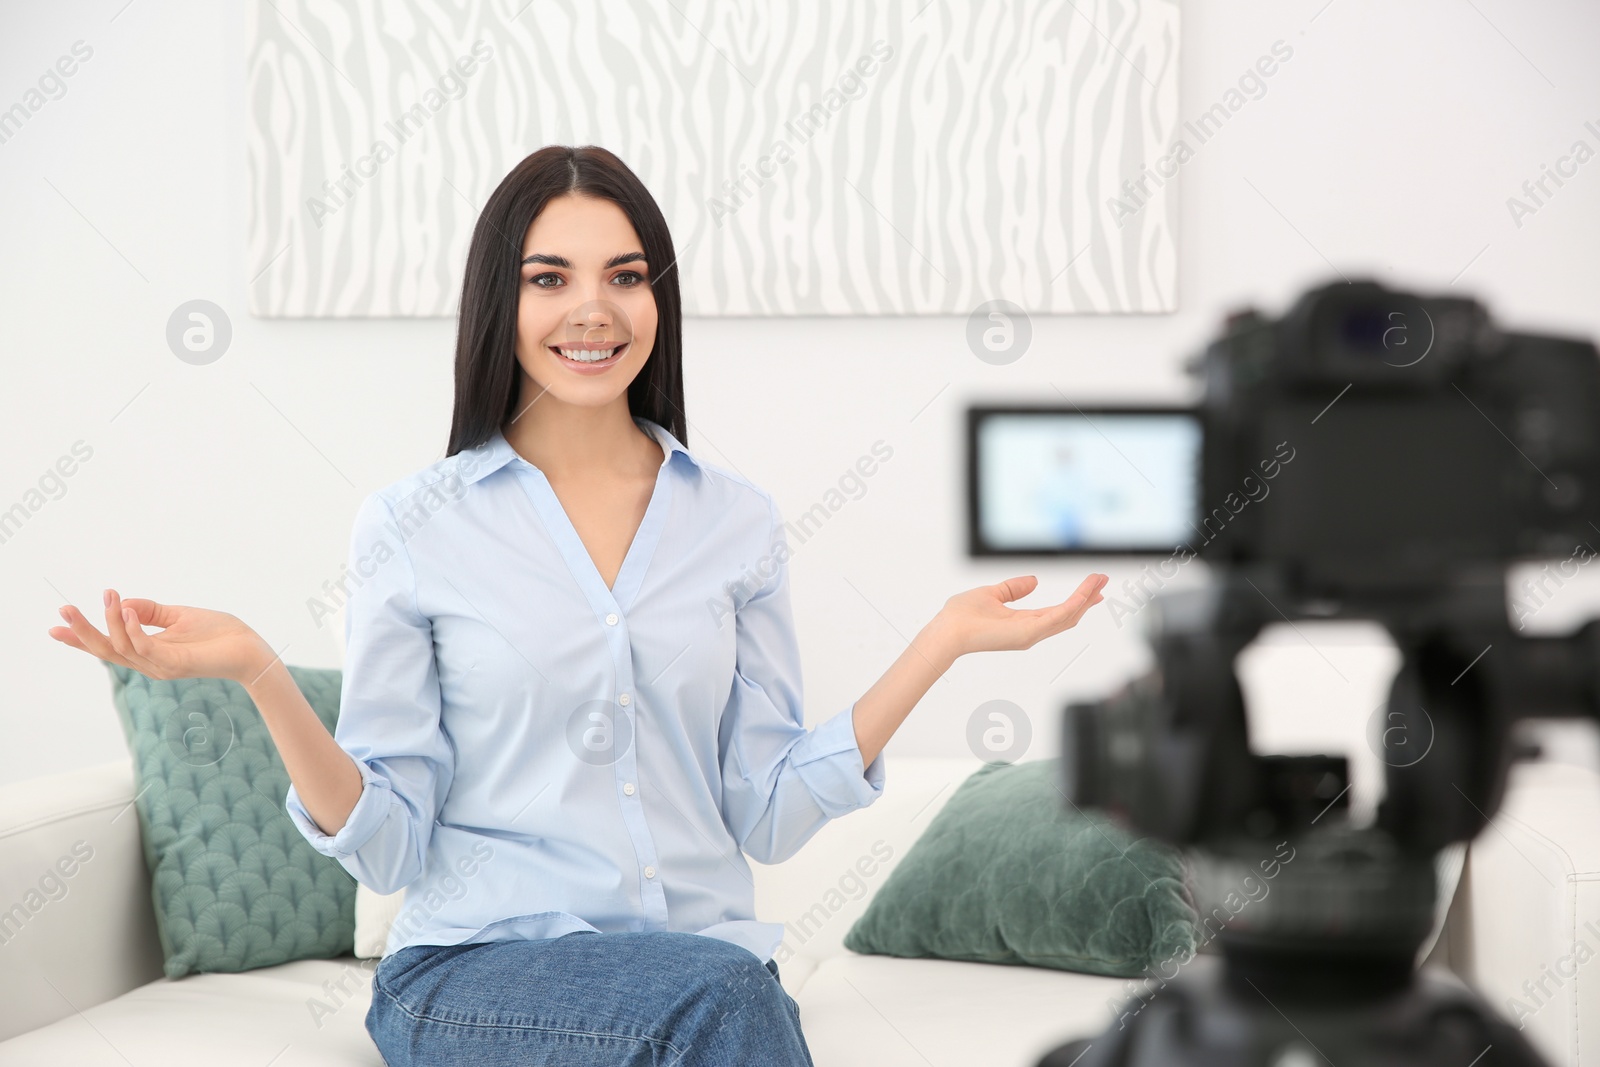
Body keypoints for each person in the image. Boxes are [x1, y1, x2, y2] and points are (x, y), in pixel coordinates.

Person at [46, 144, 1108, 1066]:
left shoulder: (735, 523)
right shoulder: (414, 524)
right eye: (550, 277)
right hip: (473, 975)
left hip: (692, 975)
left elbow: (768, 812)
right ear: (499, 300)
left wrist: (940, 644)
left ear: (659, 300)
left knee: (721, 993)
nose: (592, 309)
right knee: (729, 998)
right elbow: (387, 846)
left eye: (625, 276)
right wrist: (262, 674)